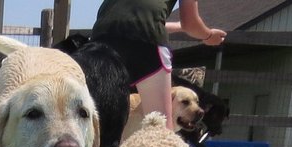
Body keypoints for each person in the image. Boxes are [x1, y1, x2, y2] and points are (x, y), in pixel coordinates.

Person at [92, 0, 226, 131]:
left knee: (97, 121)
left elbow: (132, 20)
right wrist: (209, 36)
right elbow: (190, 23)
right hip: (147, 44)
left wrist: (179, 27)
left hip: (101, 36)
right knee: (159, 127)